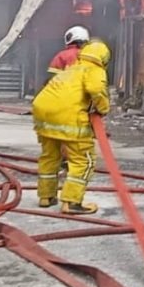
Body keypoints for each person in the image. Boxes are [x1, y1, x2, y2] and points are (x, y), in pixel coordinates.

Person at [32, 39, 110, 215]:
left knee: (50, 156)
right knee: (84, 160)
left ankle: (46, 196)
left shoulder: (72, 68)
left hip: (42, 112)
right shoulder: (94, 69)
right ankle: (71, 202)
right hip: (67, 115)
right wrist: (103, 108)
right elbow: (96, 89)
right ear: (104, 58)